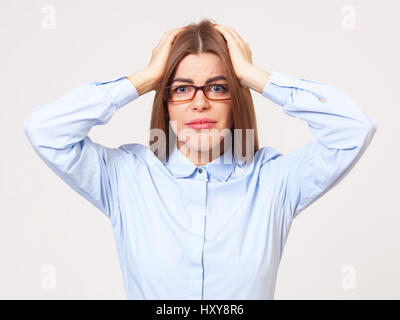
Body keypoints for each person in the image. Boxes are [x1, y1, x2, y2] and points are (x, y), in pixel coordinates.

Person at [23, 19, 377, 300]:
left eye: (218, 87)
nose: (199, 102)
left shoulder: (273, 180)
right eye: (181, 88)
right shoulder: (127, 177)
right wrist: (145, 78)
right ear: (165, 101)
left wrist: (254, 75)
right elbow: (45, 130)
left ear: (236, 97)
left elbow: (353, 129)